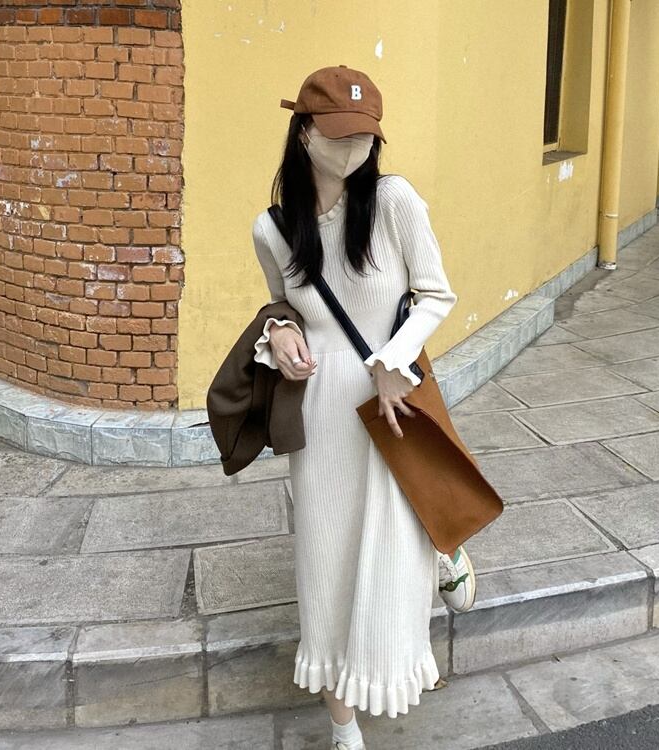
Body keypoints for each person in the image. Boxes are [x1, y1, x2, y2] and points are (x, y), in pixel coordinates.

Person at [250, 65, 477, 750]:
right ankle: (342, 728)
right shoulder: (272, 228)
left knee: (394, 544)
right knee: (325, 560)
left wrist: (392, 360)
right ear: (303, 131)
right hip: (321, 411)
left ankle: (438, 558)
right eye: (338, 134)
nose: (353, 149)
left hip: (391, 396)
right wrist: (277, 331)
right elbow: (283, 305)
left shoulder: (394, 200)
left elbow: (436, 294)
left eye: (364, 137)